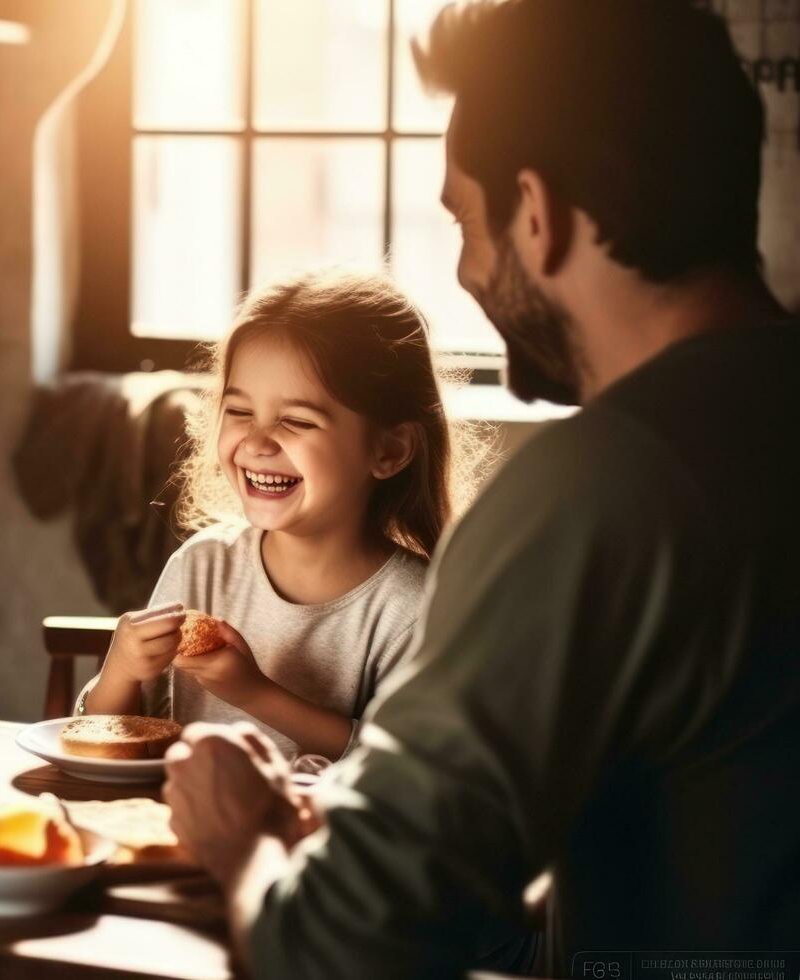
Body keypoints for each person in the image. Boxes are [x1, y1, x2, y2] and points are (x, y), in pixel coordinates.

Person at [162, 1, 800, 976]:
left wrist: (241, 836)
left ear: (536, 213)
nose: (463, 265)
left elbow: (335, 944)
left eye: (464, 218)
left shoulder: (598, 492)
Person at [80, 271, 463, 762]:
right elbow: (101, 738)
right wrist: (121, 669)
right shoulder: (202, 566)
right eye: (239, 412)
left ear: (389, 449)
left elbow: (405, 767)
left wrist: (254, 693)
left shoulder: (412, 609)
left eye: (297, 421)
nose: (257, 444)